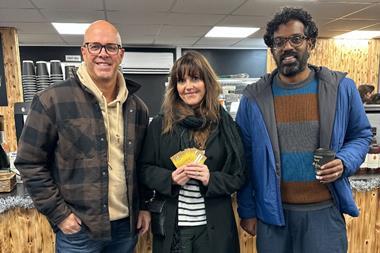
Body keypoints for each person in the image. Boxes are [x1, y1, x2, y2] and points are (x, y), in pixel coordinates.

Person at [236, 7, 372, 253]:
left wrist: (344, 160)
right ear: (272, 48)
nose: (287, 47)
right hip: (273, 217)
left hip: (324, 214)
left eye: (296, 39)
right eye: (279, 42)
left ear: (310, 43)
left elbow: (361, 135)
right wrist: (247, 209)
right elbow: (244, 158)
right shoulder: (253, 98)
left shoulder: (340, 88)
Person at [15, 20, 150, 253]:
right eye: (95, 46)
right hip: (79, 231)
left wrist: (145, 206)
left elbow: (142, 163)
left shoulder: (137, 108)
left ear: (121, 54)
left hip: (125, 229)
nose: (103, 54)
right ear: (84, 51)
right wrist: (60, 215)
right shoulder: (52, 101)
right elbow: (29, 163)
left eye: (111, 47)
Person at [138, 51, 246, 253]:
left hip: (214, 229)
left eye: (195, 78)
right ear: (174, 86)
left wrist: (210, 179)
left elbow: (239, 176)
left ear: (206, 82)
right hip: (173, 229)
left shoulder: (225, 125)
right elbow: (143, 170)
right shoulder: (161, 124)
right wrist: (169, 178)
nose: (188, 86)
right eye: (181, 81)